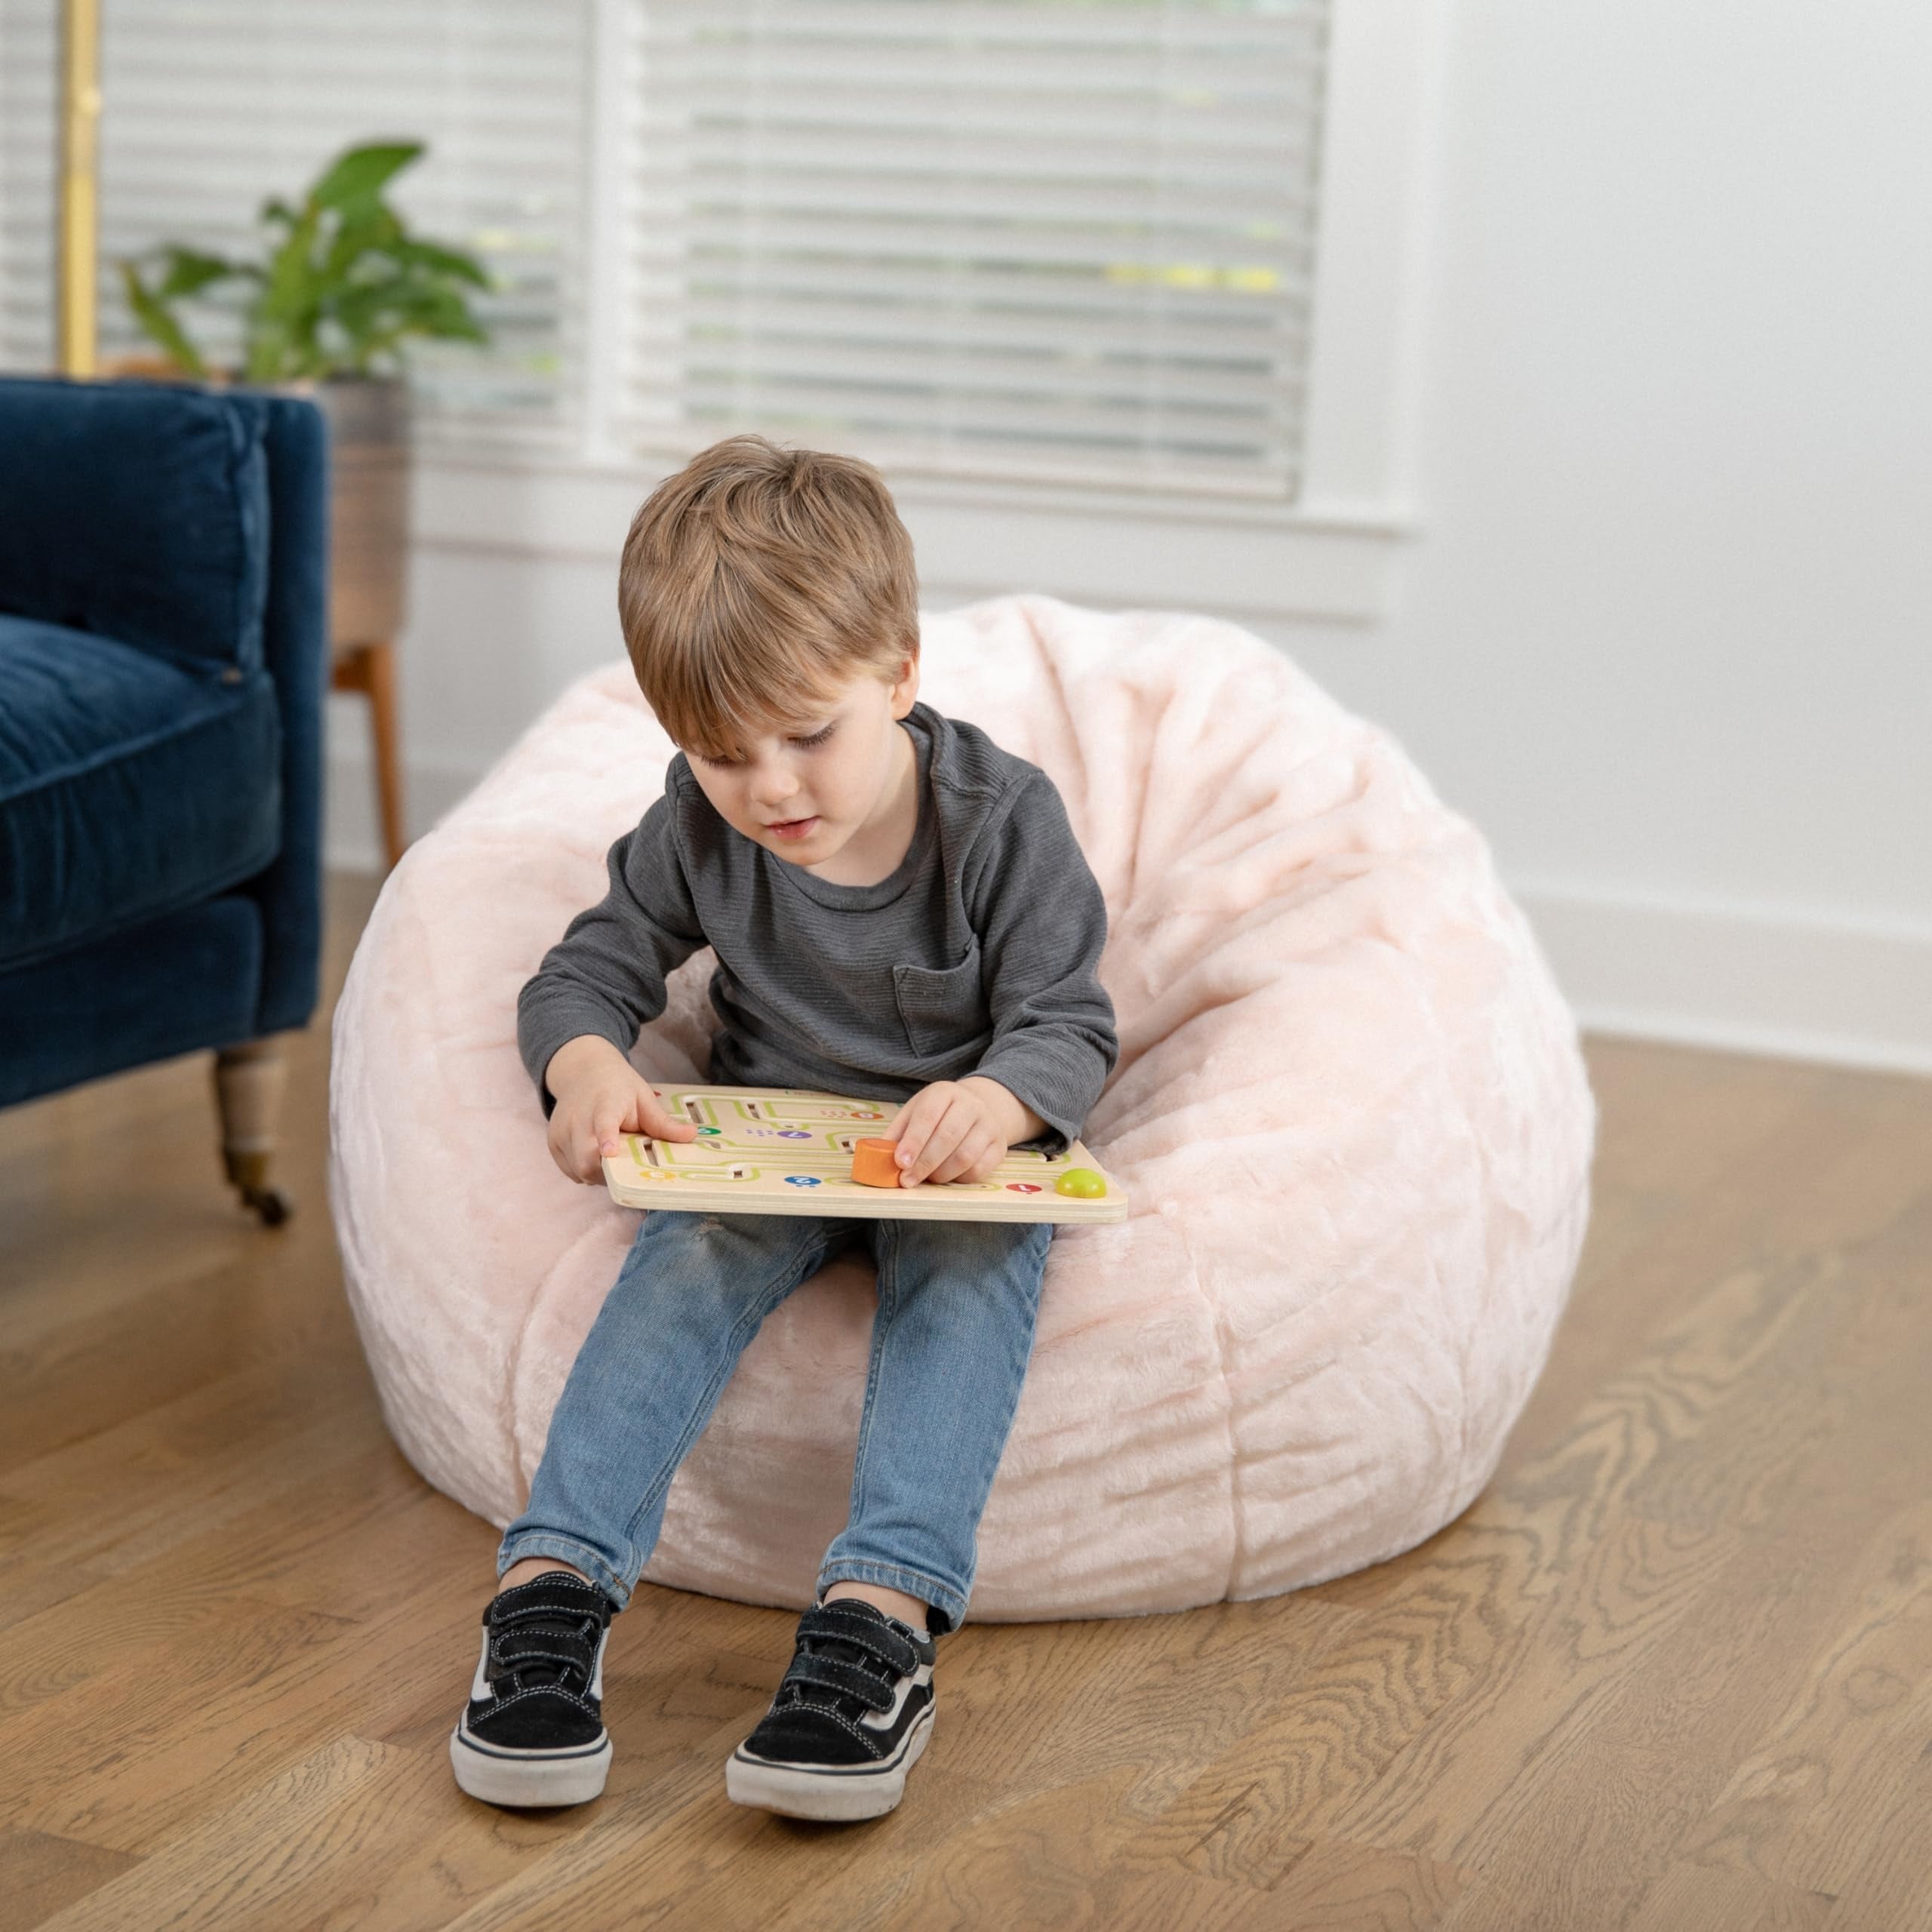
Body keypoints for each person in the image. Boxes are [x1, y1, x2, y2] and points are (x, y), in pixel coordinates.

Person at [448, 433, 1118, 1822]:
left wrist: (997, 1100)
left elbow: (1070, 1022)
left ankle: (881, 1622)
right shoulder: (704, 822)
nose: (772, 790)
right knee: (681, 1260)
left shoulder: (1002, 824)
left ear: (901, 674)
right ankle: (550, 1590)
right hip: (776, 1144)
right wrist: (583, 1066)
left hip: (956, 1166)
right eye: (719, 751)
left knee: (976, 1281)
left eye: (811, 734)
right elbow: (591, 964)